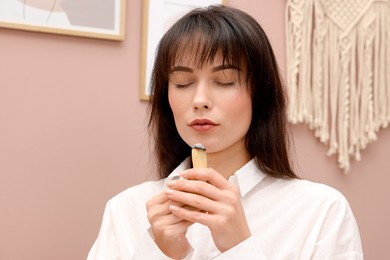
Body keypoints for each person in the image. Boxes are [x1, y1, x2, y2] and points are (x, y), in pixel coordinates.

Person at [87, 5, 363, 260]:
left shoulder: (321, 211)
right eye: (183, 83)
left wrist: (240, 247)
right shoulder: (126, 209)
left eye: (224, 81)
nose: (200, 100)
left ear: (260, 93)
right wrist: (162, 254)